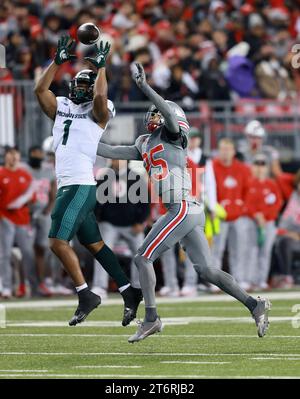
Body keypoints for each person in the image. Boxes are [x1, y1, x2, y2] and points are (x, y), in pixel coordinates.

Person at [97, 62, 271, 343]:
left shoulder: (173, 135)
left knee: (142, 258)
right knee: (207, 270)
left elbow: (166, 111)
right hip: (186, 210)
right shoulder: (143, 142)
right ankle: (254, 304)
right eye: (152, 112)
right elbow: (110, 149)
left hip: (181, 207)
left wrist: (145, 87)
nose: (154, 115)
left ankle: (152, 318)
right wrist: (77, 139)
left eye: (158, 112)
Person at [34, 35, 142, 327]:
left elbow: (99, 100)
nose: (83, 89)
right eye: (79, 84)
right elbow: (39, 88)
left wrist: (102, 70)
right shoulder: (61, 107)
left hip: (80, 184)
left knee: (57, 242)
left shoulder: (100, 112)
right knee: (93, 243)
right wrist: (56, 62)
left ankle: (85, 294)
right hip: (69, 183)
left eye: (87, 85)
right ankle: (129, 290)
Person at [92, 159, 150, 298]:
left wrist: (140, 222)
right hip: (109, 223)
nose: (116, 161)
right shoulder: (104, 176)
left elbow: (145, 202)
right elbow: (97, 201)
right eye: (114, 158)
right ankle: (99, 286)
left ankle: (138, 286)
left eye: (119, 158)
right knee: (101, 252)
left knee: (141, 254)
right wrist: (97, 219)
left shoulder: (136, 177)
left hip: (132, 224)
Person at [211, 138, 251, 289]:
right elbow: (208, 188)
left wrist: (243, 208)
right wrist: (213, 207)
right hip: (219, 216)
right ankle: (216, 282)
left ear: (234, 151)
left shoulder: (243, 169)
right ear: (219, 150)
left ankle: (239, 280)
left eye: (228, 149)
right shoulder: (212, 166)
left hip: (239, 216)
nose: (226, 152)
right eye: (223, 149)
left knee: (239, 249)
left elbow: (248, 191)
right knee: (216, 249)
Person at [0, 146, 38, 298]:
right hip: (5, 218)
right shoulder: (1, 174)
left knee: (28, 254)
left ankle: (31, 286)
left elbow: (32, 199)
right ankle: (7, 287)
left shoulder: (26, 175)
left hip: (23, 220)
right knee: (5, 254)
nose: (13, 157)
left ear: (19, 156)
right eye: (10, 154)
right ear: (6, 157)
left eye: (15, 154)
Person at [243, 153, 282, 290]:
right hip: (252, 222)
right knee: (251, 251)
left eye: (263, 164)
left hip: (268, 223)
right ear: (253, 167)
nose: (260, 168)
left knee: (265, 252)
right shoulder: (248, 183)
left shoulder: (272, 184)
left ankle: (262, 280)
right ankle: (249, 279)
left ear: (267, 168)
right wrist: (256, 215)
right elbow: (246, 203)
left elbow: (277, 203)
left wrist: (264, 216)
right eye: (257, 164)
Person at [26, 145, 56, 297]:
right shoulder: (24, 170)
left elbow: (53, 194)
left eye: (39, 154)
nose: (37, 156)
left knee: (43, 248)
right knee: (27, 251)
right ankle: (28, 284)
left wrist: (47, 209)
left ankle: (43, 282)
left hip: (43, 214)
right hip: (25, 214)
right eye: (34, 153)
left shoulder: (48, 172)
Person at [273, 170, 300, 288]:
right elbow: (280, 178)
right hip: (292, 239)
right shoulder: (292, 197)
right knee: (285, 242)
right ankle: (287, 276)